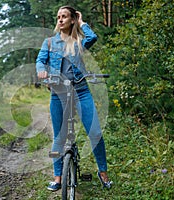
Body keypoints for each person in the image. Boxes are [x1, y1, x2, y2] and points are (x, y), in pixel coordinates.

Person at [36, 5, 113, 191]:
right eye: (58, 17)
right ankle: (57, 177)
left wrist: (82, 22)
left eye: (64, 16)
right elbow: (40, 60)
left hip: (81, 91)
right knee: (59, 138)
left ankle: (103, 172)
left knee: (94, 132)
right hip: (58, 94)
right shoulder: (48, 42)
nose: (60, 19)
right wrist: (42, 71)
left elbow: (92, 38)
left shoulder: (78, 41)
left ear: (71, 20)